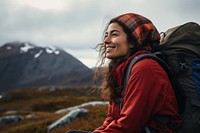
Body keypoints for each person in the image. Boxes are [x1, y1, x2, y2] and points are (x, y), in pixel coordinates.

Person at [66, 13, 182, 133]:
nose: (106, 40)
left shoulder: (145, 68)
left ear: (133, 42)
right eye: (106, 35)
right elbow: (112, 118)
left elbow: (129, 125)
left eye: (114, 34)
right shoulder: (120, 70)